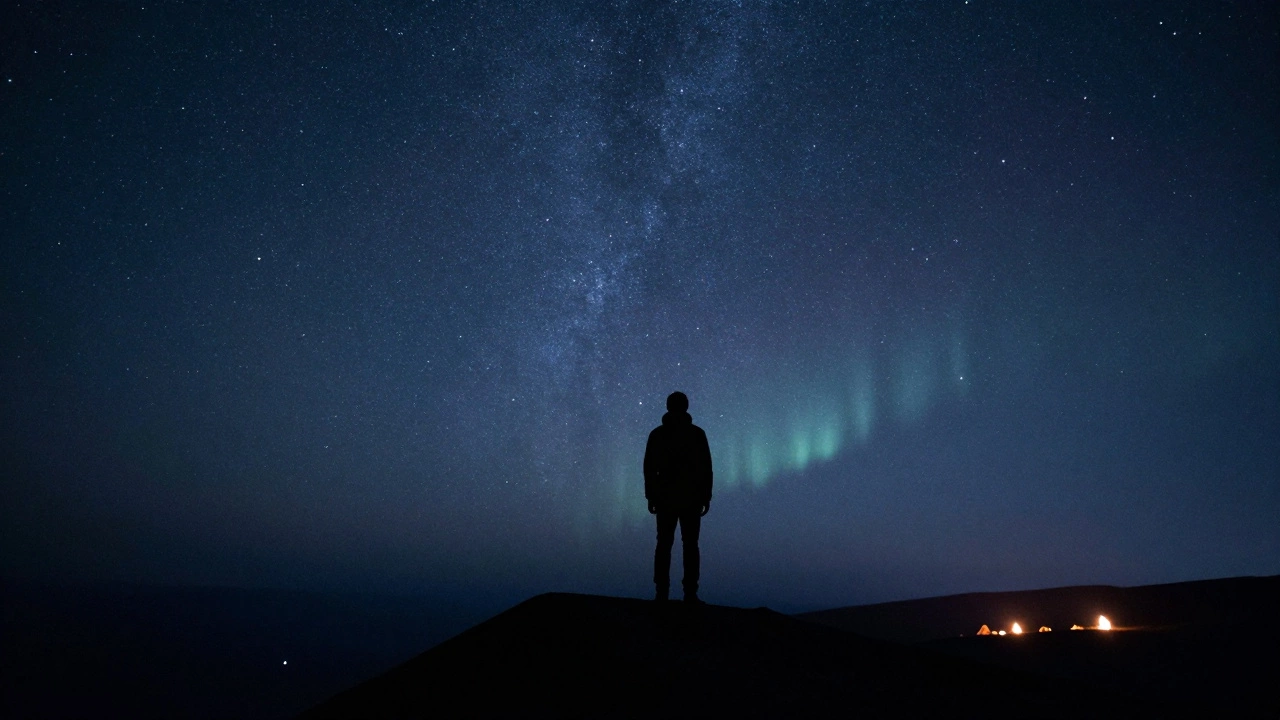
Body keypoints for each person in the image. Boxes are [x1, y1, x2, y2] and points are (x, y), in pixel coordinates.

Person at [644, 391, 713, 603]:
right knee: (689, 545)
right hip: (689, 496)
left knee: (665, 544)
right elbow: (706, 468)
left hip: (666, 497)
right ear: (686, 406)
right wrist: (705, 496)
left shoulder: (658, 434)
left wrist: (651, 495)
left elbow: (649, 468)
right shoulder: (696, 434)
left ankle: (662, 593)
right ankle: (689, 593)